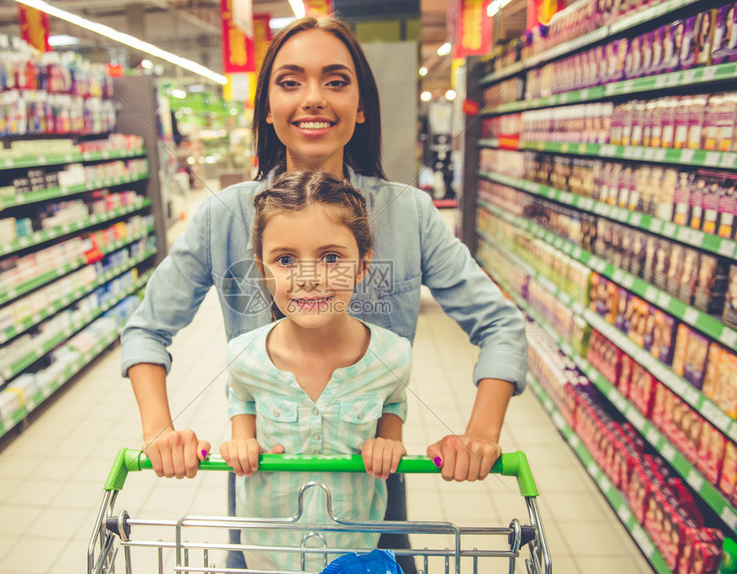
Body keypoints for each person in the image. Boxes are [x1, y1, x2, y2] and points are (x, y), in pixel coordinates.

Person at [120, 15, 527, 572]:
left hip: (374, 479)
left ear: (361, 105)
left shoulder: (408, 215)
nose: (313, 98)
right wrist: (159, 432)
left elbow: (500, 325)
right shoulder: (223, 216)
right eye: (290, 82)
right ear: (267, 106)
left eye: (335, 81)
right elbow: (147, 328)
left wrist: (481, 433)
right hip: (265, 487)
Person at [220, 170, 410, 571]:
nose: (308, 278)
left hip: (353, 551)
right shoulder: (244, 356)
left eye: (331, 257)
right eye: (285, 260)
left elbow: (393, 397)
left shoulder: (392, 356)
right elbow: (241, 393)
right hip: (270, 555)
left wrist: (389, 438)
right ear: (263, 268)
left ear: (363, 265)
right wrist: (241, 437)